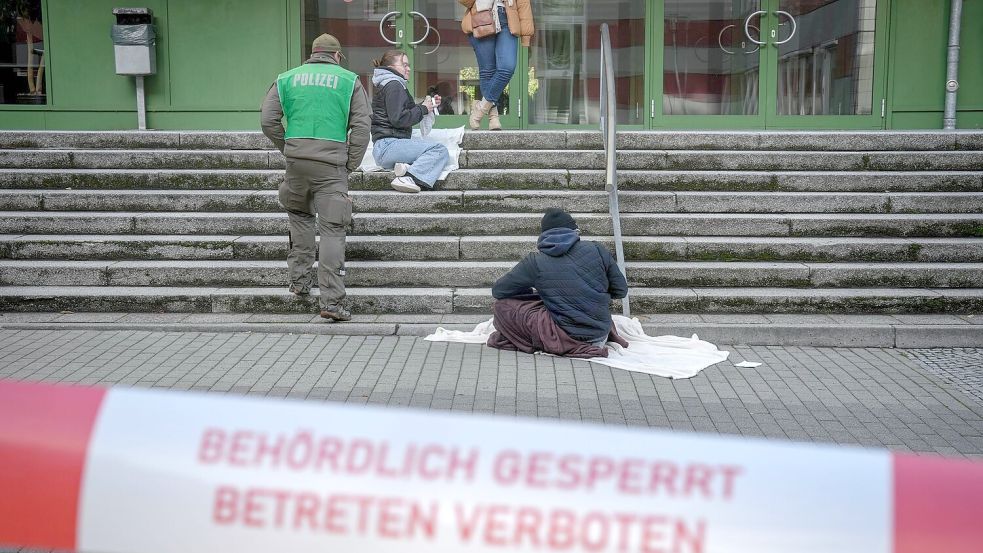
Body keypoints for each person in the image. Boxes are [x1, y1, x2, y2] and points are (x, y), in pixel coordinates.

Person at [260, 33, 370, 322]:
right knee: (333, 229)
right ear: (336, 56)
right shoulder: (349, 81)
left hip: (296, 164)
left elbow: (267, 119)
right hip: (331, 166)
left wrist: (289, 148)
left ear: (312, 54)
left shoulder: (286, 78)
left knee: (299, 218)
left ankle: (299, 283)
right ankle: (333, 303)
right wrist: (350, 164)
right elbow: (361, 127)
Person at [489, 209, 629, 356]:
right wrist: (593, 293)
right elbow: (621, 290)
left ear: (543, 235)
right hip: (600, 334)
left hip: (567, 337)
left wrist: (531, 292)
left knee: (501, 306)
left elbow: (499, 291)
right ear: (575, 231)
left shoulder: (535, 261)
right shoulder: (597, 249)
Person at [370, 50, 450, 194]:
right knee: (439, 150)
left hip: (386, 147)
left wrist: (426, 106)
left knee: (425, 150)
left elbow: (401, 114)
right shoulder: (394, 84)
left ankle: (405, 168)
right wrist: (423, 108)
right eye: (404, 65)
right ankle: (409, 178)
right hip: (389, 146)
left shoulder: (390, 84)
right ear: (391, 67)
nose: (409, 68)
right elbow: (399, 119)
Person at [458, 0, 534, 130]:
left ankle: (480, 109)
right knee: (488, 70)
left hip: (508, 19)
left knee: (507, 68)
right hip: (481, 18)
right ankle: (493, 117)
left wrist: (526, 35)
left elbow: (523, 4)